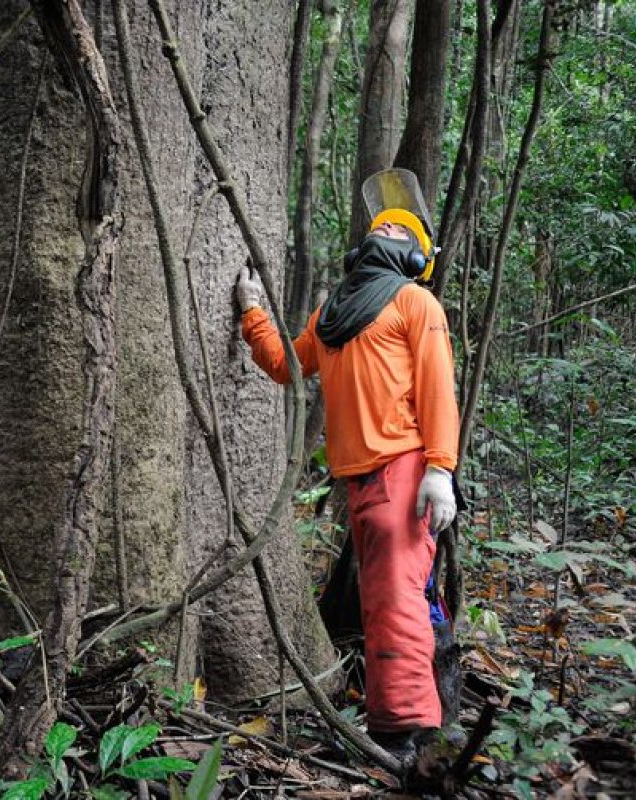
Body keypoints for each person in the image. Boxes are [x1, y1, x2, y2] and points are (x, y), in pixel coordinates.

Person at [234, 173, 459, 762]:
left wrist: (440, 469)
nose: (389, 231)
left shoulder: (416, 302)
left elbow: (439, 388)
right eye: (383, 225)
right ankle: (407, 718)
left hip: (403, 471)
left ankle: (407, 731)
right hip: (358, 482)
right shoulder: (333, 313)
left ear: (415, 257)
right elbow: (285, 363)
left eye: (402, 230)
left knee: (396, 599)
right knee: (385, 598)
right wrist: (252, 311)